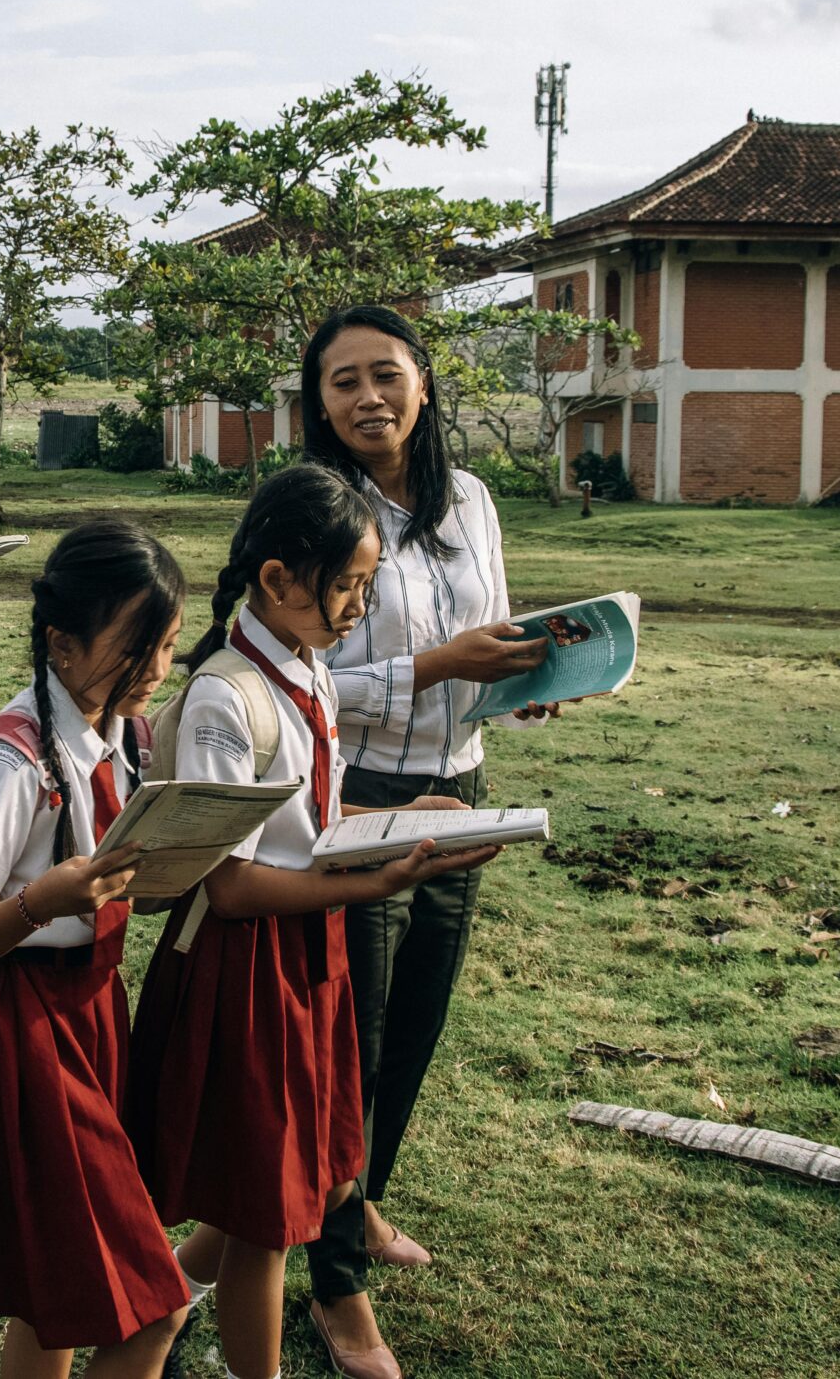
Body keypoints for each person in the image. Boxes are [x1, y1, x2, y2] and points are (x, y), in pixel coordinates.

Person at [126, 464, 501, 1379]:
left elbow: (315, 826)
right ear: (278, 579)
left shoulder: (311, 671)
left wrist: (408, 820)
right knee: (267, 1220)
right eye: (346, 586)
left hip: (308, 955)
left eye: (368, 586)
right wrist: (375, 884)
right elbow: (233, 885)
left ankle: (166, 1303)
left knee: (306, 1179)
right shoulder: (225, 698)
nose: (358, 607)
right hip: (248, 967)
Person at [295, 304, 554, 1377]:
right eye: (344, 381)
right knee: (347, 1048)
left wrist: (529, 678)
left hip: (463, 788)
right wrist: (441, 666)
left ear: (425, 384)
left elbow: (491, 629)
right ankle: (334, 1289)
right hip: (356, 798)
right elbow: (301, 679)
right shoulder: (313, 513)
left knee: (412, 1033)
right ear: (319, 404)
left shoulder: (473, 501)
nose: (369, 397)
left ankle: (359, 1209)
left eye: (386, 375)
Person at [0, 521, 193, 1379]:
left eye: (168, 646)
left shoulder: (121, 736)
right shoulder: (9, 765)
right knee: (151, 1309)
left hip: (93, 1013)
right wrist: (38, 903)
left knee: (59, 1295)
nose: (155, 670)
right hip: (27, 1028)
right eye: (136, 648)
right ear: (62, 643)